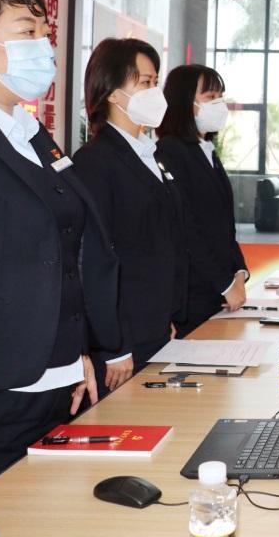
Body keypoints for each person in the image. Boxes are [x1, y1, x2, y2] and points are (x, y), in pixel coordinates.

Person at [0, 0, 120, 511]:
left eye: (45, 33)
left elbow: (61, 250)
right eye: (26, 32)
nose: (43, 47)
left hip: (52, 382)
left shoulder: (27, 129)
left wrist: (74, 353)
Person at [73, 38, 188, 389]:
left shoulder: (150, 154)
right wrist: (115, 345)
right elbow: (95, 261)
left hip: (154, 325)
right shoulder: (95, 161)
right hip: (123, 341)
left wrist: (165, 316)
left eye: (155, 82)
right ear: (112, 93)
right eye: (145, 83)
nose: (155, 92)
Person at [156, 65, 247, 336]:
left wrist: (239, 272)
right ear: (185, 101)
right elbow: (187, 228)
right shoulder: (170, 151)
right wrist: (224, 284)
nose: (219, 104)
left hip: (219, 293)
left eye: (220, 96)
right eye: (210, 96)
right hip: (194, 294)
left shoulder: (206, 151)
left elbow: (224, 226)